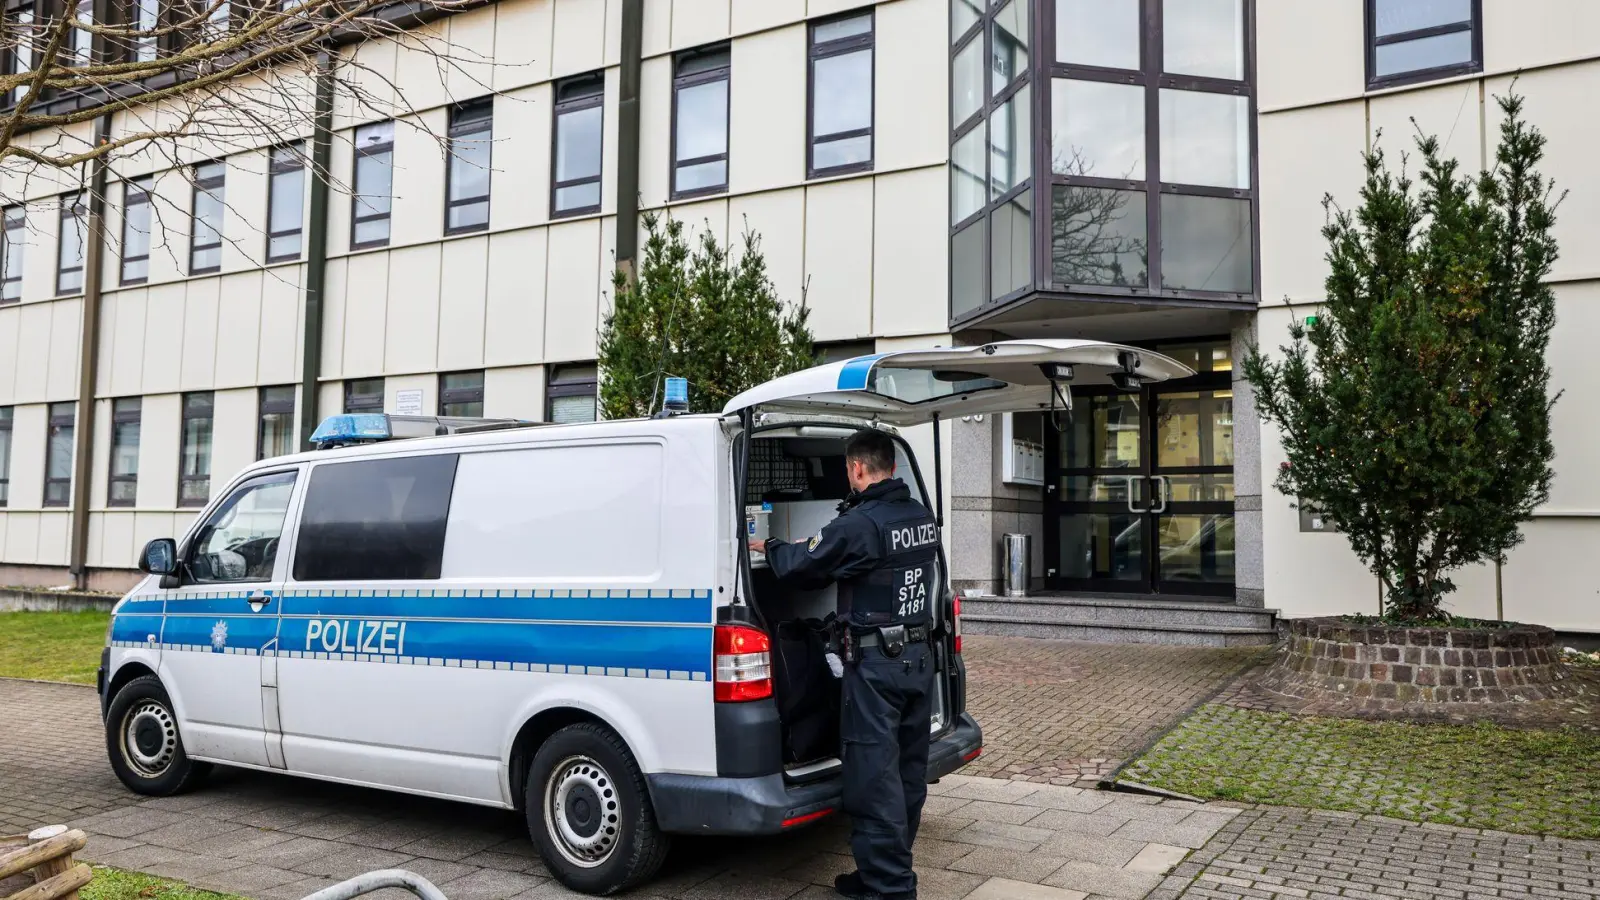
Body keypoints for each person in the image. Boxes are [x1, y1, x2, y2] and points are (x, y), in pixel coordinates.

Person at [749, 428, 940, 900]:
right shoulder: (920, 516)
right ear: (891, 467)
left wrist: (769, 547)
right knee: (906, 776)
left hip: (877, 668)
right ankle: (881, 874)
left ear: (856, 469)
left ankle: (891, 890)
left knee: (874, 781)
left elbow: (801, 566)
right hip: (917, 660)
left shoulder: (860, 524)